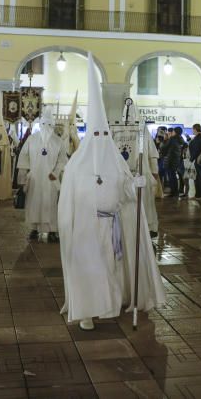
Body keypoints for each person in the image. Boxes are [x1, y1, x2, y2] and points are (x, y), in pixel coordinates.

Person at [58, 55, 165, 330]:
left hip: (112, 226)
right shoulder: (75, 168)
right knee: (90, 269)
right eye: (96, 136)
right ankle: (86, 310)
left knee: (112, 268)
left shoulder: (117, 165)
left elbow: (127, 190)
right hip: (86, 229)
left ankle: (109, 305)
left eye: (104, 136)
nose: (101, 142)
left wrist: (137, 184)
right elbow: (68, 203)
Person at [20, 107, 68, 243]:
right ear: (40, 125)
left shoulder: (58, 142)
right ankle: (34, 229)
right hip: (35, 178)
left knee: (51, 204)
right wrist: (23, 177)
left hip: (50, 179)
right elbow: (24, 158)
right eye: (44, 124)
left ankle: (52, 231)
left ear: (52, 125)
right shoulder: (32, 139)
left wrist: (56, 172)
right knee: (34, 204)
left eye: (49, 125)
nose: (46, 128)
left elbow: (63, 160)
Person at [163, 127, 186, 197]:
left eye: (173, 131)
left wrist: (164, 142)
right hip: (177, 159)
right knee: (174, 176)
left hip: (170, 159)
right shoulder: (180, 139)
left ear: (175, 132)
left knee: (171, 176)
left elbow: (165, 147)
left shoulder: (172, 139)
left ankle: (173, 192)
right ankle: (175, 191)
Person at [188, 124, 201, 199]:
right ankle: (199, 194)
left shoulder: (198, 138)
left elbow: (196, 150)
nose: (192, 130)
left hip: (197, 160)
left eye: (192, 129)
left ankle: (199, 195)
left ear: (195, 129)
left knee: (197, 177)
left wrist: (191, 159)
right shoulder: (200, 137)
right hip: (199, 160)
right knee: (197, 177)